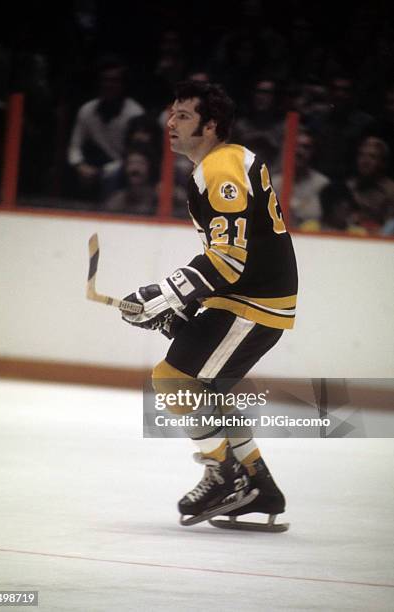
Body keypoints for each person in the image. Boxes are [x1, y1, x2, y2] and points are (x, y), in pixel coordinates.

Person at [121, 81, 298, 529]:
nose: (171, 122)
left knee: (171, 380)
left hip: (253, 302)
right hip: (250, 298)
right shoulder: (227, 161)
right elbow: (236, 254)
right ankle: (259, 483)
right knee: (208, 394)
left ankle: (224, 476)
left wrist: (164, 293)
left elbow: (228, 258)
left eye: (183, 115)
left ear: (211, 124)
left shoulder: (219, 168)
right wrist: (183, 302)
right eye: (171, 113)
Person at [67, 55, 144, 201]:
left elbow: (136, 155)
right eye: (105, 80)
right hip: (95, 164)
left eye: (114, 80)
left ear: (123, 84)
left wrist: (103, 171)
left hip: (122, 167)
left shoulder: (135, 113)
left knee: (114, 176)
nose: (109, 85)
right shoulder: (87, 110)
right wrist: (80, 165)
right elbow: (74, 146)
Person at [272, 128, 329, 227]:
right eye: (295, 146)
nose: (299, 151)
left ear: (313, 152)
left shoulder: (322, 184)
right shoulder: (273, 183)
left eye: (305, 147)